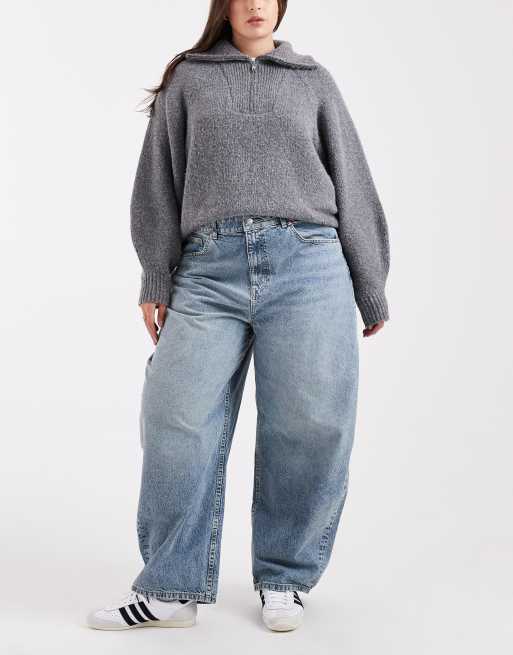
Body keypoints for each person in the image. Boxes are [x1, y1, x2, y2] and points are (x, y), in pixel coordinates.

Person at [87, 0, 390, 634]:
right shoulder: (189, 79)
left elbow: (353, 181)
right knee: (175, 417)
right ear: (223, 7)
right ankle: (171, 590)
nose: (255, 5)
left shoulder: (314, 81)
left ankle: (285, 578)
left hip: (309, 265)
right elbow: (157, 181)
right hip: (207, 267)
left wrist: (370, 284)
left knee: (309, 424)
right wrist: (156, 274)